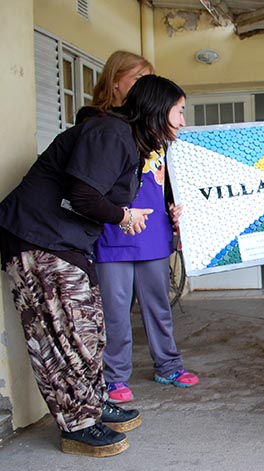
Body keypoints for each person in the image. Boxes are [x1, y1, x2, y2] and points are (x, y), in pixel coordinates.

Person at [0, 74, 186, 457]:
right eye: (179, 111)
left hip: (65, 242)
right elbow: (83, 193)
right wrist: (122, 216)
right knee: (64, 336)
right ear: (156, 109)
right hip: (38, 238)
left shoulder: (129, 143)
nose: (182, 120)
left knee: (87, 331)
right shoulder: (110, 133)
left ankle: (92, 404)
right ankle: (78, 427)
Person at [78, 51, 199, 404]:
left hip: (154, 232)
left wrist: (175, 211)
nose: (143, 87)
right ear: (116, 81)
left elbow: (166, 180)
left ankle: (168, 364)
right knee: (114, 309)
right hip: (113, 231)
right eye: (136, 79)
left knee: (158, 304)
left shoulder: (159, 131)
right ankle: (114, 376)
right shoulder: (99, 123)